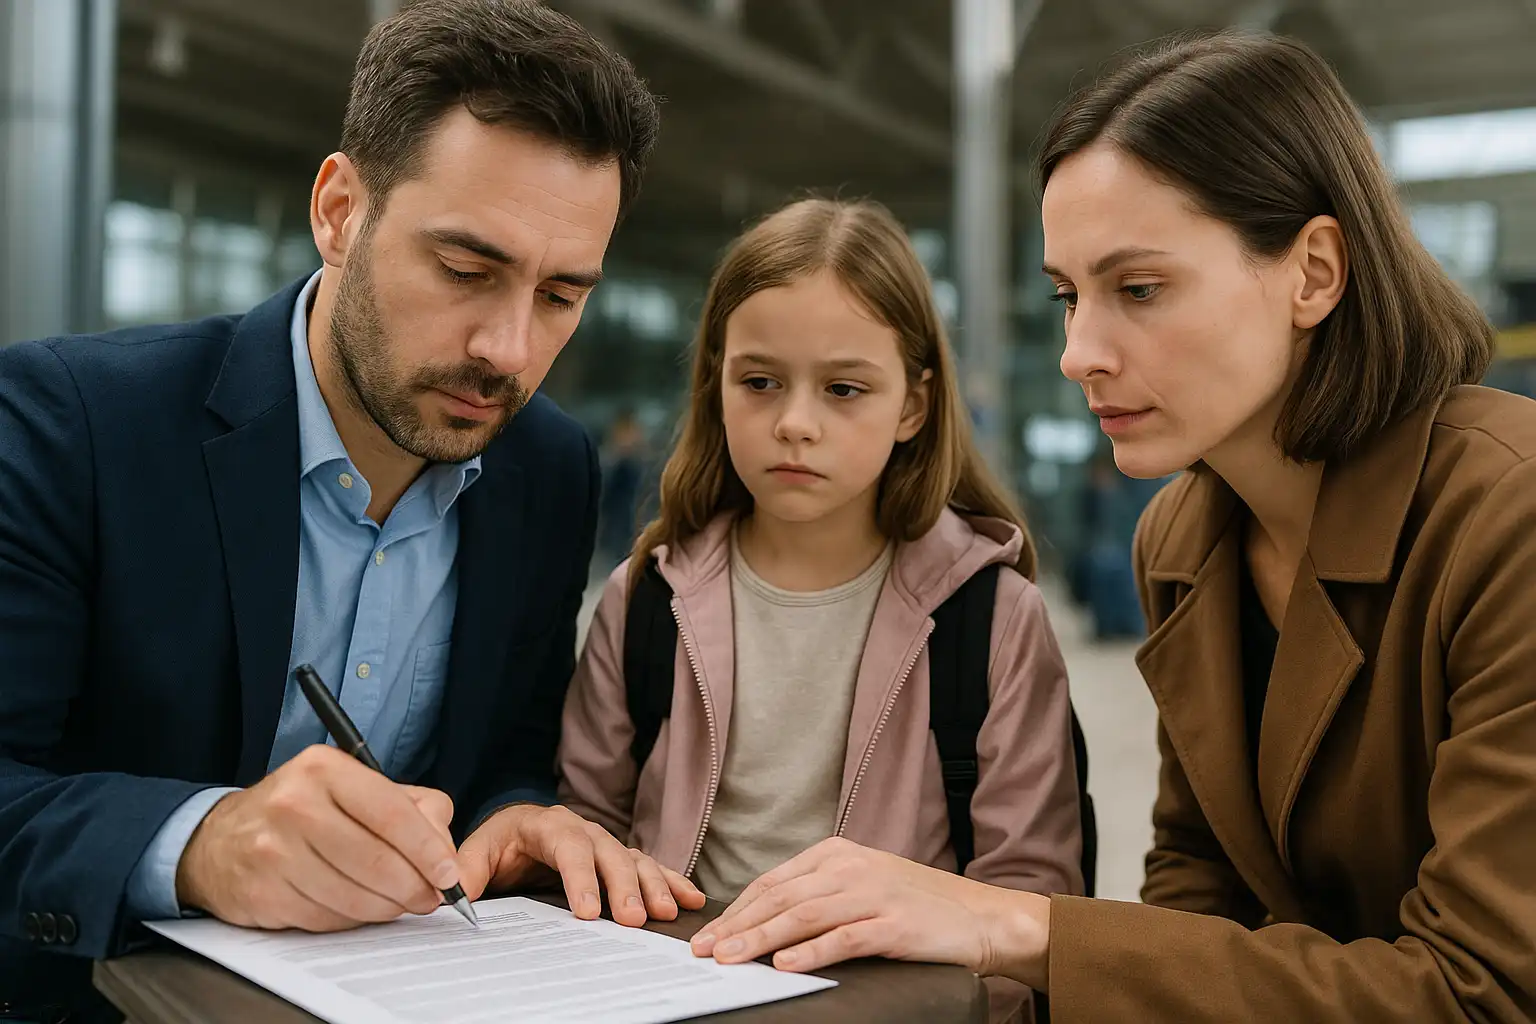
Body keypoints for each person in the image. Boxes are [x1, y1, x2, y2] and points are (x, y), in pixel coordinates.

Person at [686, 32, 1536, 1022]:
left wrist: (1015, 925)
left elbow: (1484, 996)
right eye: (1067, 295)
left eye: (1138, 290)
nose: (1077, 352)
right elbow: (1199, 897)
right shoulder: (1182, 539)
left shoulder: (1508, 517)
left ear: (1313, 272)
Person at [0, 3, 705, 1021]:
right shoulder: (74, 425)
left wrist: (521, 815)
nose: (508, 350)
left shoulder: (545, 468)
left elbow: (504, 751)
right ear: (338, 211)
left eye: (560, 296)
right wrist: (197, 845)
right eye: (465, 271)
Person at [558, 198, 1084, 1022]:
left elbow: (1028, 898)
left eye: (844, 389)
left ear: (913, 406)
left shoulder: (994, 617)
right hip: (671, 996)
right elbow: (582, 834)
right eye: (759, 382)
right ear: (716, 385)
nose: (795, 423)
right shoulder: (644, 599)